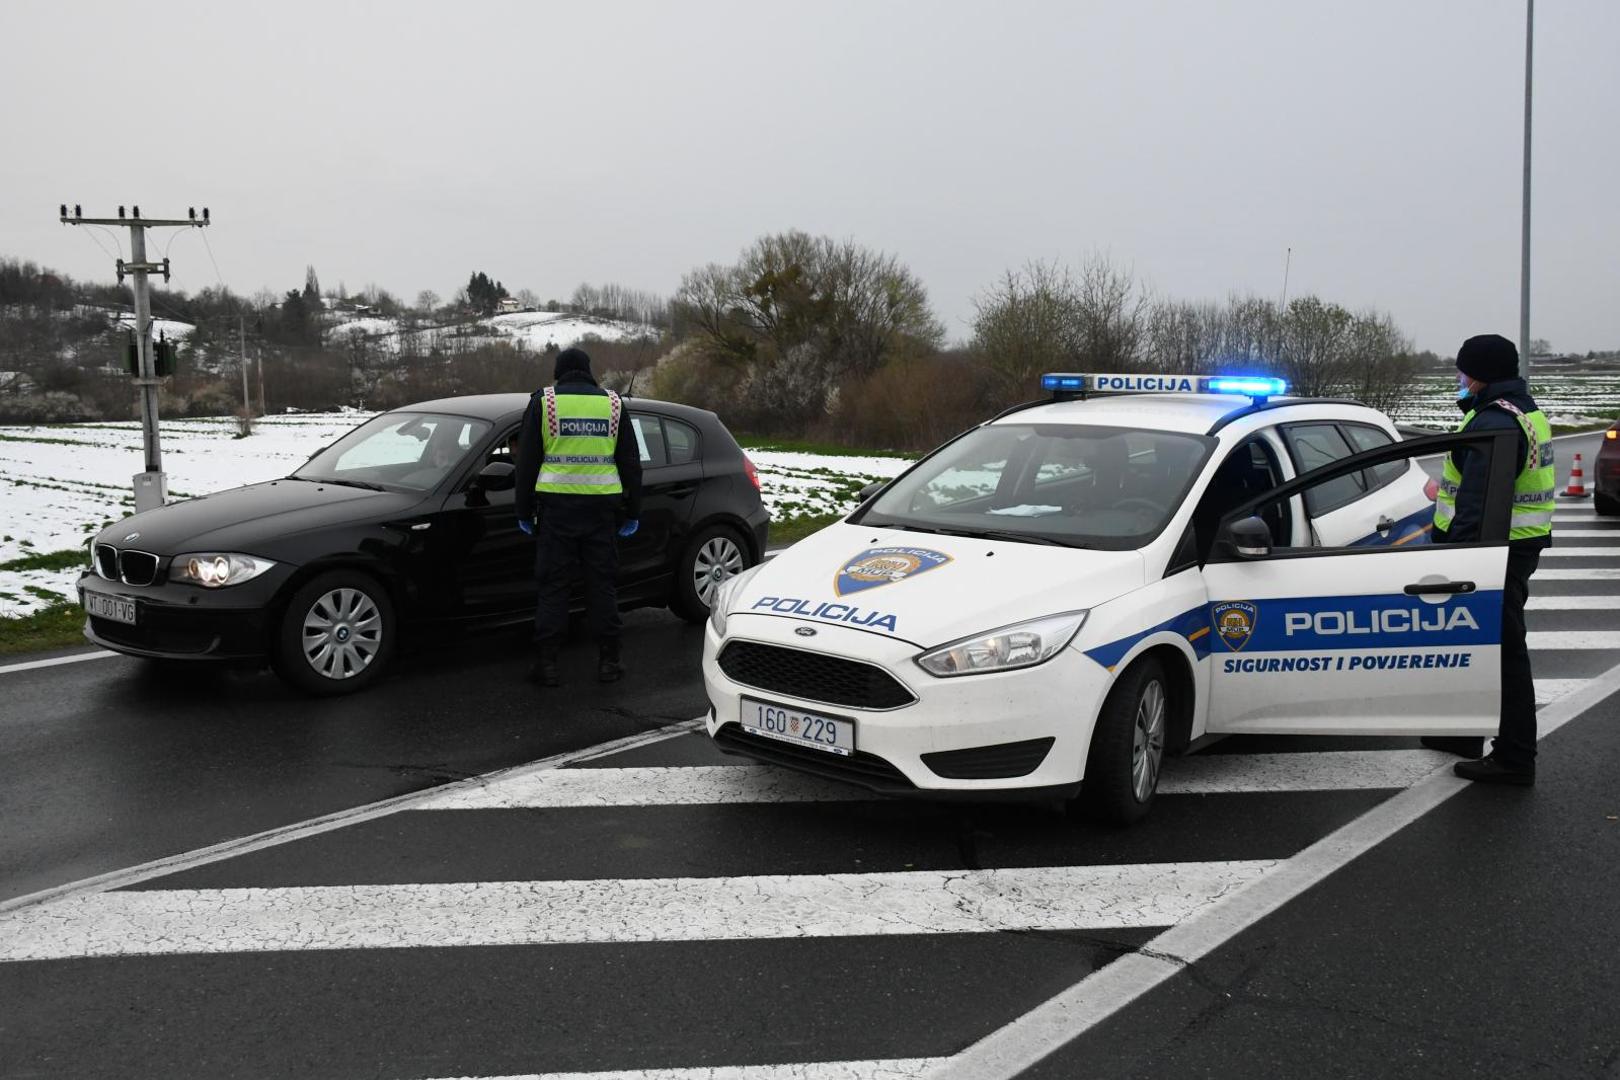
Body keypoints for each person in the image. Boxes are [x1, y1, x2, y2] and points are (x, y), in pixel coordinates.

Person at [1428, 334, 1554, 785]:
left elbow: (1479, 506)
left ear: (1479, 374)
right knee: (1478, 647)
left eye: (1463, 371)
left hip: (1494, 551)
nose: (1459, 378)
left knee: (1503, 654)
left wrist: (1460, 562)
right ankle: (1465, 734)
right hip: (1517, 544)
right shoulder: (1521, 412)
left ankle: (1515, 756)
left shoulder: (1494, 424)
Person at [514, 347, 643, 686]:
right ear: (589, 371)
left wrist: (523, 510)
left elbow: (526, 463)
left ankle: (548, 665)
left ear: (559, 372)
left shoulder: (545, 402)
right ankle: (609, 662)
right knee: (602, 586)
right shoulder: (613, 404)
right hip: (602, 511)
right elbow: (630, 462)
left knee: (553, 587)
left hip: (556, 512)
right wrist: (634, 511)